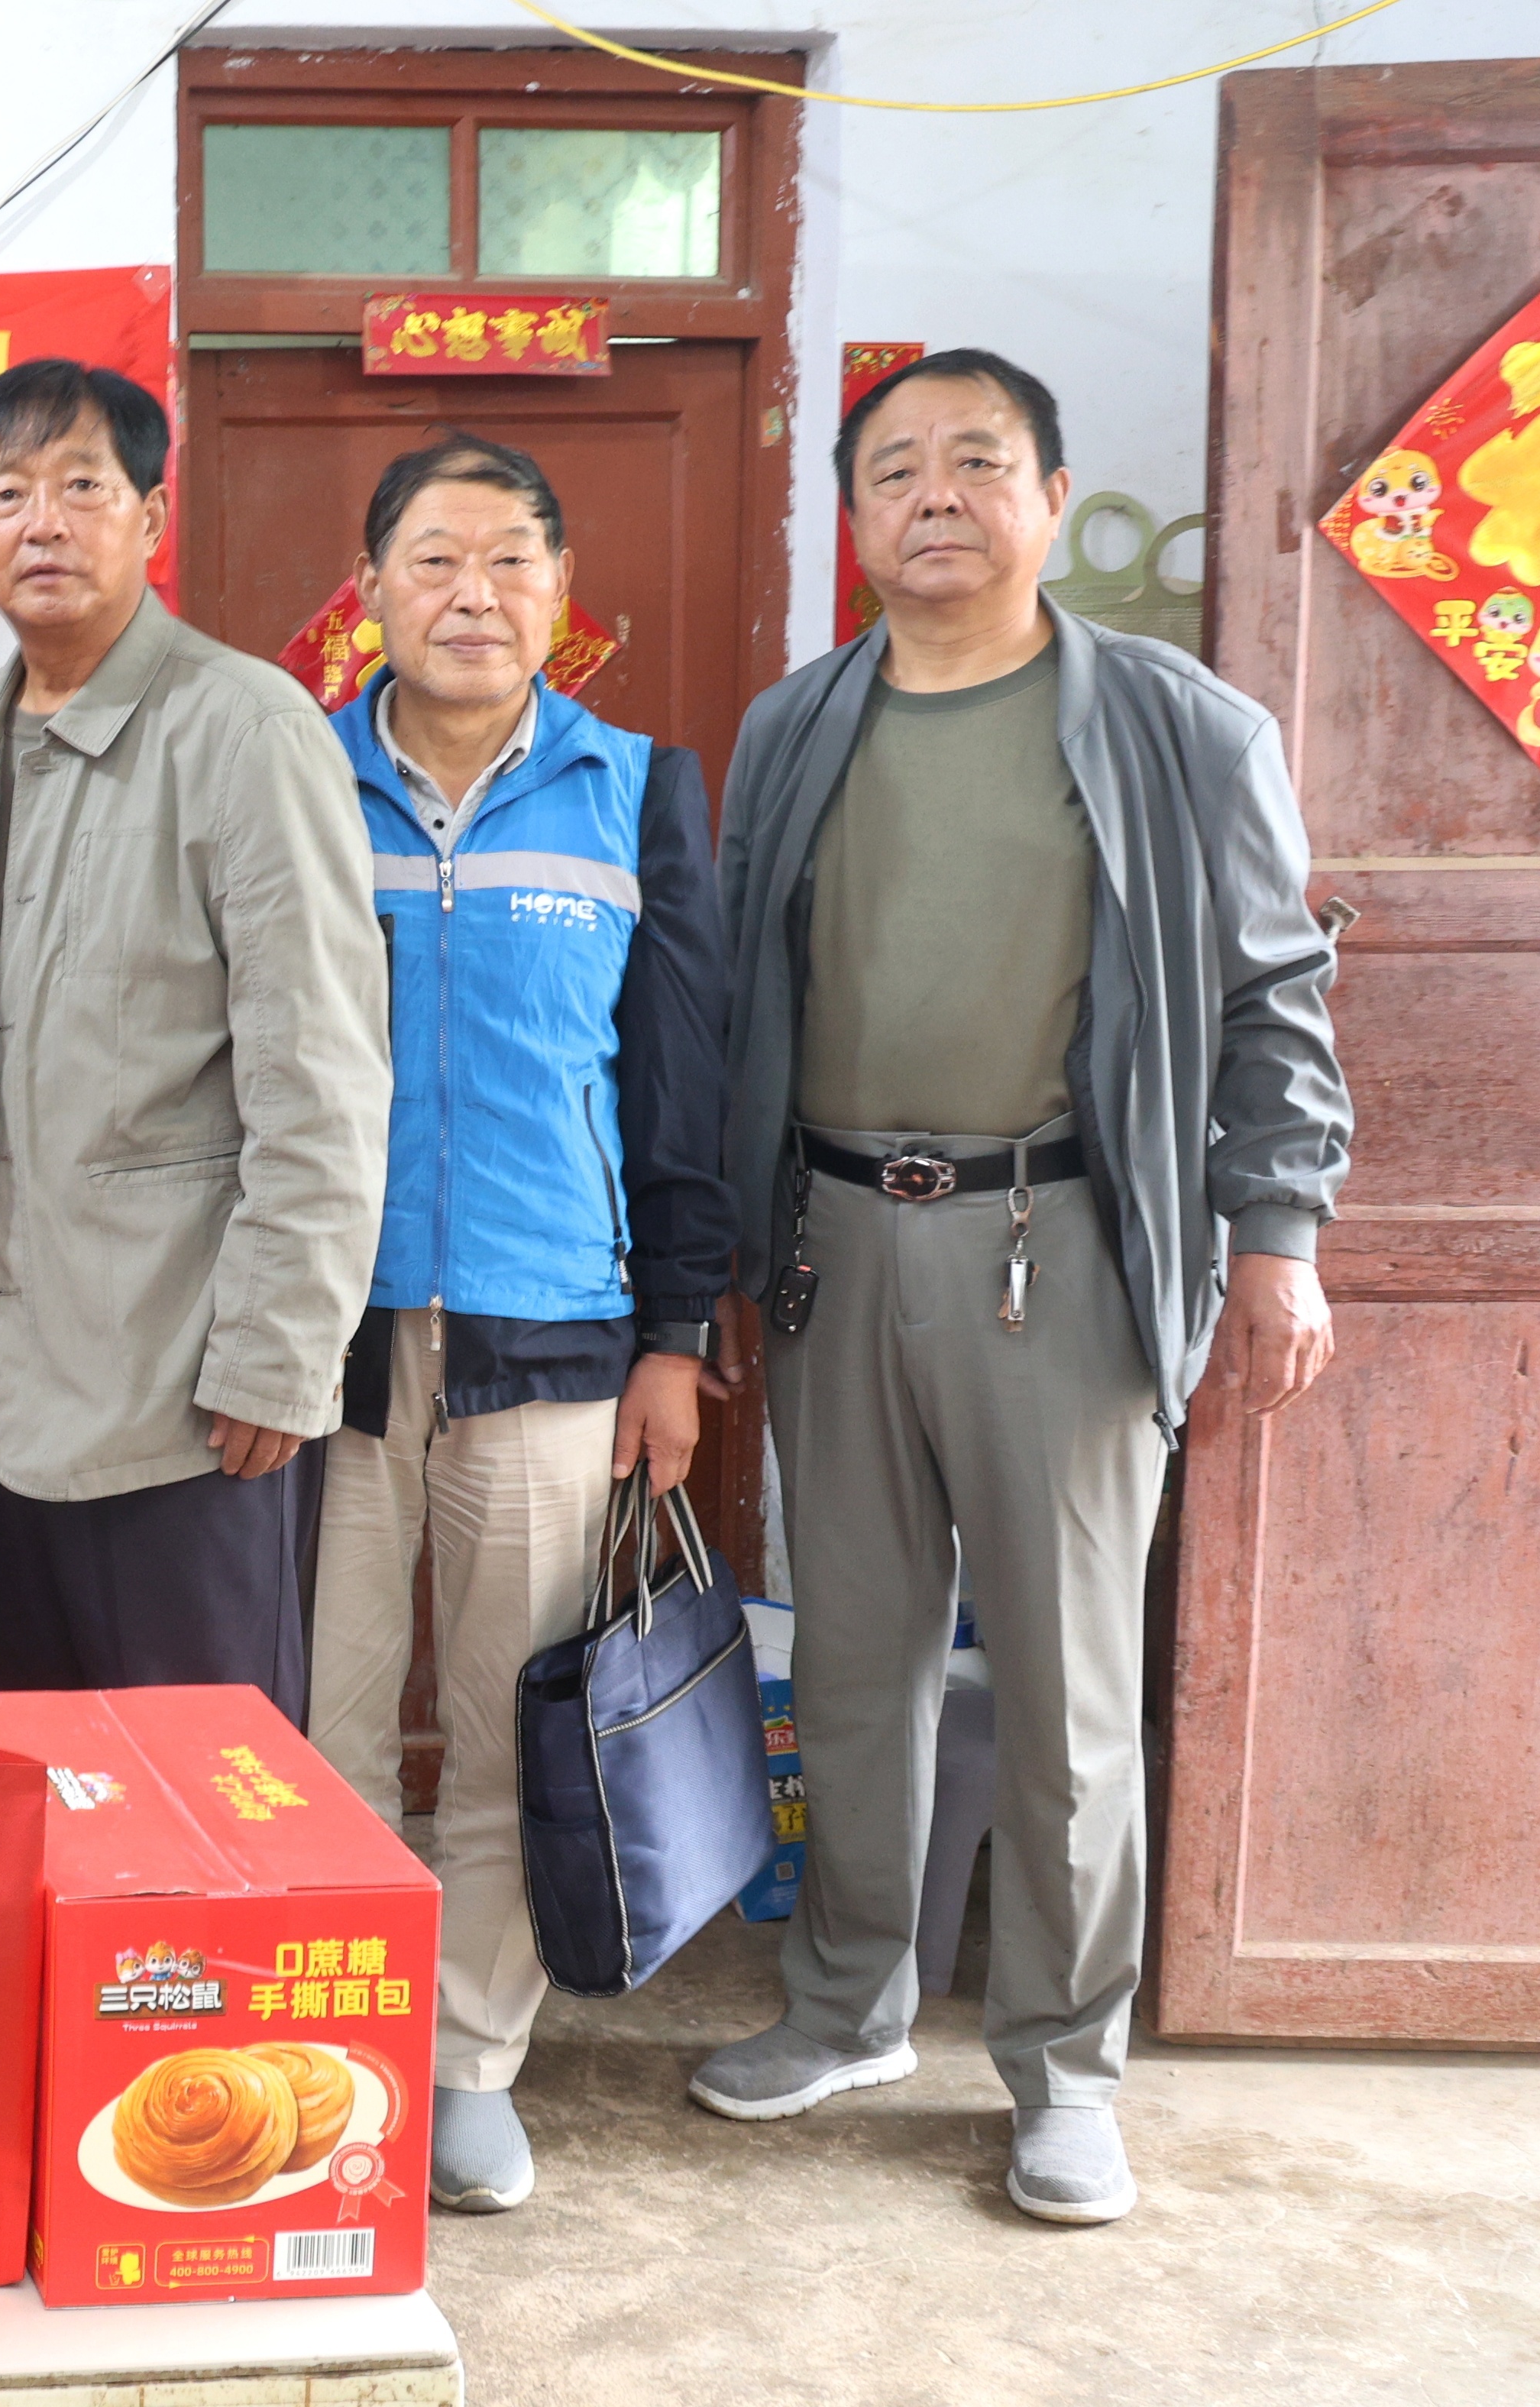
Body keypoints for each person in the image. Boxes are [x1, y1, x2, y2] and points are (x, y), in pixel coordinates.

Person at [691, 350, 1349, 2224]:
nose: (935, 495)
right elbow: (751, 994)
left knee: (1066, 1689)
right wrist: (732, 1247)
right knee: (859, 1662)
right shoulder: (795, 724)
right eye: (894, 467)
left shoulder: (1176, 724)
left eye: (979, 460)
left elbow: (1273, 995)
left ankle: (1068, 2066)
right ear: (852, 517)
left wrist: (1277, 1238)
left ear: (1054, 495)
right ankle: (846, 2005)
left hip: (1050, 1242)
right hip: (830, 1236)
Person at [299, 432, 735, 2216]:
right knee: (317, 1721)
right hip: (316, 1336)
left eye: (510, 564)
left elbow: (682, 1087)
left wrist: (675, 1335)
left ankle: (471, 2057)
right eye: (432, 560)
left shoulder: (635, 790)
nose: (472, 594)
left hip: (557, 1327)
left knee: (504, 1718)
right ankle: (334, 2029)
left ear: (563, 600)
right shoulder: (294, 775)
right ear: (371, 593)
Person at [0, 361, 389, 1701]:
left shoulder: (243, 727)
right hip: (2, 1391)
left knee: (204, 1801)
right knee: (44, 1785)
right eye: (6, 495)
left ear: (150, 516)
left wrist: (278, 1357)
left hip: (187, 1392)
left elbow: (323, 1071)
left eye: (82, 489)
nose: (43, 524)